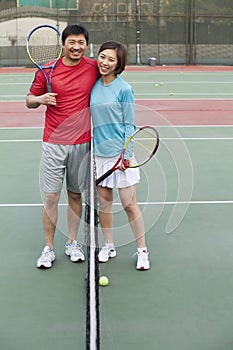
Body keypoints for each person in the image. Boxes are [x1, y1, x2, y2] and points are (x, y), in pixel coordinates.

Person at [26, 24, 99, 268]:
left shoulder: (93, 67)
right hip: (54, 143)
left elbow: (112, 74)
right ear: (63, 44)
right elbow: (29, 100)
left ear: (86, 45)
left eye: (81, 43)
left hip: (82, 143)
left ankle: (72, 242)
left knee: (76, 196)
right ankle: (48, 248)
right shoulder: (47, 70)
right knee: (51, 198)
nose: (76, 47)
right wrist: (40, 99)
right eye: (72, 42)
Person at [90, 41, 150, 270]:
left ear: (119, 64)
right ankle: (108, 245)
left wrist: (127, 154)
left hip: (121, 156)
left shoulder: (124, 89)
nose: (104, 62)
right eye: (102, 57)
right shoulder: (94, 86)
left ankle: (142, 250)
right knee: (105, 205)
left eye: (111, 59)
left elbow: (129, 124)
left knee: (129, 205)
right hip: (101, 156)